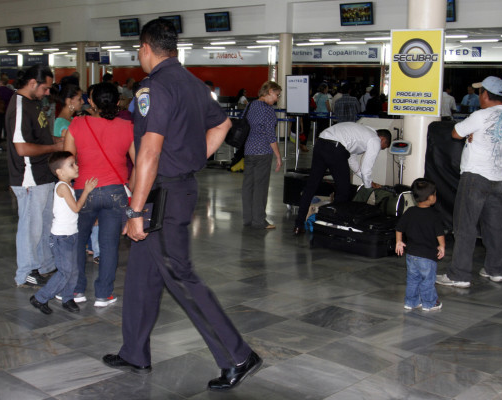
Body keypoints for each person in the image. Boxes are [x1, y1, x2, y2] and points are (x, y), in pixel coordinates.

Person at [102, 18, 262, 392]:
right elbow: (223, 125)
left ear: (145, 47)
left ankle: (238, 355)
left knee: (179, 275)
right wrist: (194, 156)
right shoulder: (192, 84)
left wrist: (135, 211)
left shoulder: (153, 88)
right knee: (143, 275)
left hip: (162, 195)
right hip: (179, 186)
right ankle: (134, 352)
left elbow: (149, 153)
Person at [436, 76, 502, 288]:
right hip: (497, 178)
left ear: (486, 95)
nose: (479, 96)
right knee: (494, 226)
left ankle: (459, 275)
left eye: (481, 92)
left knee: (465, 226)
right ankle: (495, 270)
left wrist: (470, 132)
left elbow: (455, 133)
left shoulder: (480, 115)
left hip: (475, 177)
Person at [64, 82, 136, 307]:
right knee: (108, 245)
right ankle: (104, 294)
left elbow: (67, 160)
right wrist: (128, 186)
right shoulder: (128, 127)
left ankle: (77, 290)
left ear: (91, 102)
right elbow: (139, 162)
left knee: (77, 242)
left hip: (84, 190)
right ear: (117, 102)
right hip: (116, 191)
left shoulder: (77, 123)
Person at [7, 65, 63, 287]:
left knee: (45, 222)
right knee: (31, 226)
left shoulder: (34, 103)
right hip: (28, 176)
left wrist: (55, 142)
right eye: (45, 88)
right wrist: (53, 148)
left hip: (43, 174)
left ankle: (44, 264)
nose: (48, 93)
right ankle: (27, 270)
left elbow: (39, 136)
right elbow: (22, 148)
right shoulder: (19, 106)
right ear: (32, 83)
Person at [29, 152, 98, 315]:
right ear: (60, 172)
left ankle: (67, 298)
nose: (76, 167)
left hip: (71, 235)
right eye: (71, 165)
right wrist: (87, 191)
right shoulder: (62, 186)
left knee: (73, 270)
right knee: (65, 271)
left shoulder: (67, 186)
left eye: (75, 163)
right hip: (61, 238)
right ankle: (40, 298)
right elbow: (75, 208)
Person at [293, 122, 392, 235]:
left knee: (311, 187)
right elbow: (366, 169)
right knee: (344, 191)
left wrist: (370, 181)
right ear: (383, 139)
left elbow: (352, 161)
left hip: (320, 143)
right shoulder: (375, 140)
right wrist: (368, 187)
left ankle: (298, 225)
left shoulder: (362, 132)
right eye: (383, 147)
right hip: (335, 148)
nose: (381, 149)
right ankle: (333, 228)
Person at [395, 178, 445, 312]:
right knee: (428, 280)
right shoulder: (434, 215)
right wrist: (442, 246)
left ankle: (411, 302)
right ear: (430, 198)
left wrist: (399, 241)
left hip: (411, 255)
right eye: (434, 194)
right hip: (427, 256)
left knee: (412, 279)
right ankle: (429, 303)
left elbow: (399, 228)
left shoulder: (410, 212)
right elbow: (439, 233)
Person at [242, 81, 283, 229]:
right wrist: (278, 155)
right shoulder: (268, 110)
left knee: (248, 185)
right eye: (277, 95)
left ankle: (247, 218)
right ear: (270, 91)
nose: (277, 99)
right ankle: (259, 220)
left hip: (248, 150)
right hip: (262, 151)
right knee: (260, 186)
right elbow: (270, 135)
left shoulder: (250, 105)